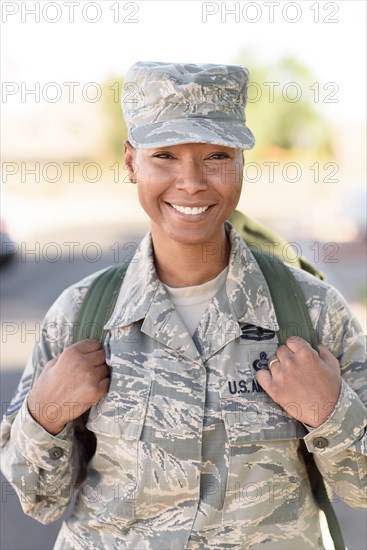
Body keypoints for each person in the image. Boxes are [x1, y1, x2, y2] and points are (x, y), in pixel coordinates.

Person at [1, 61, 366, 550]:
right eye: (166, 156)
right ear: (131, 162)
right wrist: (44, 413)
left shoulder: (311, 311)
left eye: (215, 156)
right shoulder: (82, 315)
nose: (192, 181)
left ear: (241, 163)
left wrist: (329, 411)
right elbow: (37, 498)